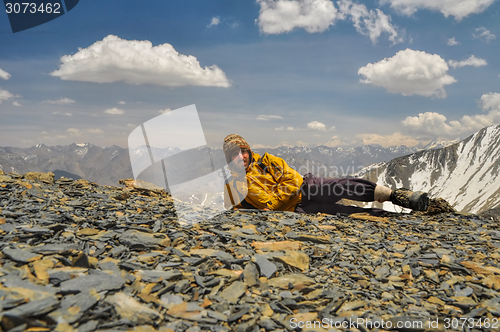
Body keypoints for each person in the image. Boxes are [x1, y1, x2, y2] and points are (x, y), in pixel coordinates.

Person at [223, 134, 429, 216]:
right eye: (234, 154)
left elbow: (291, 179)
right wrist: (279, 195)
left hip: (306, 186)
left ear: (249, 151)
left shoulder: (267, 160)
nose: (241, 157)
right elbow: (264, 206)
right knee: (343, 213)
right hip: (297, 208)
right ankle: (397, 219)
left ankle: (399, 197)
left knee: (344, 185)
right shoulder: (236, 185)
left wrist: (277, 197)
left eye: (243, 151)